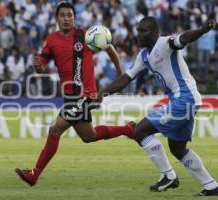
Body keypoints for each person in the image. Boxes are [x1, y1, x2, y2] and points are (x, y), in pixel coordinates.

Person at [97, 16, 218, 196]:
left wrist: (202, 30)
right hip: (184, 101)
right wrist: (102, 93)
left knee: (140, 131)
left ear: (155, 33)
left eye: (143, 31)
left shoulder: (165, 43)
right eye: (138, 30)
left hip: (185, 99)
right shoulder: (143, 56)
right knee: (178, 149)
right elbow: (126, 78)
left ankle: (168, 176)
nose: (138, 34)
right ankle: (212, 187)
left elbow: (184, 38)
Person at [15, 2, 135, 186]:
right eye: (62, 15)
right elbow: (41, 63)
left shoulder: (86, 36)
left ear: (74, 18)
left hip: (86, 94)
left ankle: (34, 174)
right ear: (57, 18)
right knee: (89, 136)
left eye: (69, 15)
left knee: (55, 129)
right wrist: (37, 66)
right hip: (70, 97)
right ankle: (129, 129)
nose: (66, 18)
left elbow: (111, 50)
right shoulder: (52, 40)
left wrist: (120, 75)